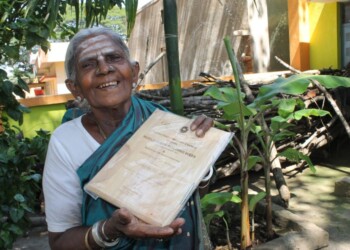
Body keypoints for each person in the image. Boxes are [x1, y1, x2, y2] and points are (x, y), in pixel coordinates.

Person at [43, 27, 214, 250]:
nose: (104, 68)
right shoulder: (66, 142)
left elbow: (193, 196)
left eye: (114, 57)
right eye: (88, 64)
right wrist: (108, 230)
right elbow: (60, 242)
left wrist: (201, 156)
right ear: (75, 88)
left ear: (134, 72)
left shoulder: (167, 125)